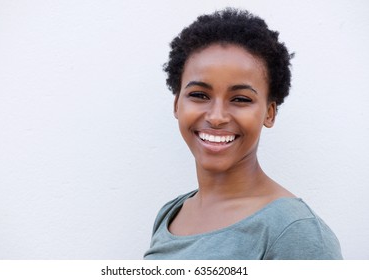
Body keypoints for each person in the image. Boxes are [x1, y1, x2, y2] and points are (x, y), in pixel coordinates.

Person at [144, 8, 342, 260]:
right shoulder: (172, 213)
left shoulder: (295, 232)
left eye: (240, 99)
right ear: (176, 105)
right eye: (199, 95)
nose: (216, 116)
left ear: (269, 113)